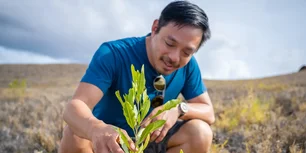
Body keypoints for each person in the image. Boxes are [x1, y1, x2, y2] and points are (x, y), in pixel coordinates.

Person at [58, 1, 215, 153]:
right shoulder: (113, 53)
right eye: (169, 43)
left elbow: (208, 112)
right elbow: (74, 107)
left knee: (200, 133)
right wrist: (97, 129)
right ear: (155, 28)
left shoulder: (188, 66)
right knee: (74, 134)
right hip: (111, 143)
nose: (175, 57)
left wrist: (177, 108)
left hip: (151, 141)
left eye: (186, 52)